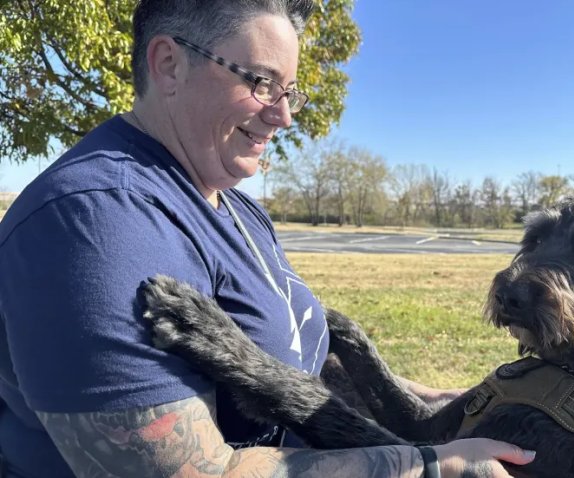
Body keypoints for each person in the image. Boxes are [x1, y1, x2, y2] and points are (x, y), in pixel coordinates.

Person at [0, 1, 536, 476]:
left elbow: (296, 356)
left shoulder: (235, 206)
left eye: (290, 92)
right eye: (260, 82)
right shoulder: (100, 223)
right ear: (168, 64)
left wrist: (430, 405)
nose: (282, 116)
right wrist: (433, 468)